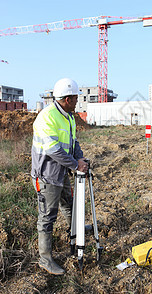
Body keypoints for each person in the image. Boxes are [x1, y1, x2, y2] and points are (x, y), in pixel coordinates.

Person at [31, 78, 88, 275]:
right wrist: (75, 164)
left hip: (61, 171)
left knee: (68, 203)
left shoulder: (69, 116)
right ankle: (45, 259)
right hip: (47, 175)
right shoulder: (47, 117)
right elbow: (54, 150)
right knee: (47, 217)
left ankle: (76, 232)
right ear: (66, 99)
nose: (77, 101)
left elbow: (73, 143)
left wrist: (80, 159)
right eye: (75, 98)